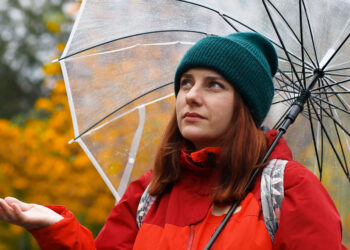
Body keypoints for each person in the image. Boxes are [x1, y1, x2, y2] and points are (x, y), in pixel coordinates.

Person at [0, 32, 347, 249]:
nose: (191, 96)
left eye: (214, 85)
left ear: (244, 105)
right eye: (185, 83)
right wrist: (58, 230)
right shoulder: (148, 195)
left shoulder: (291, 192)